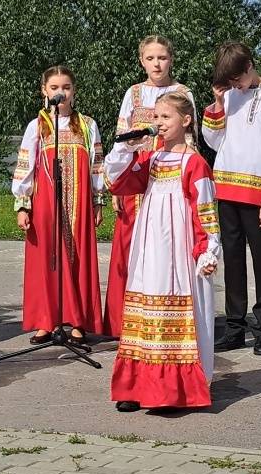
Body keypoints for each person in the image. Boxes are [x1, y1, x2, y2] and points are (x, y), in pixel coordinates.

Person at [105, 91, 219, 411]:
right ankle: (136, 386)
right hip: (149, 246)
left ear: (186, 121)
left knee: (169, 304)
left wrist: (208, 249)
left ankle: (167, 390)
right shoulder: (151, 159)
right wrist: (126, 147)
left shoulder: (194, 163)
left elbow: (205, 211)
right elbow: (118, 181)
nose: (159, 123)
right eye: (156, 117)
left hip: (176, 250)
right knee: (143, 305)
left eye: (166, 117)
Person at [202, 41, 261, 356]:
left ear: (250, 66)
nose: (236, 85)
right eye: (230, 81)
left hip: (259, 192)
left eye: (238, 78)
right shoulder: (229, 96)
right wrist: (218, 103)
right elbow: (214, 141)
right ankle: (234, 327)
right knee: (232, 259)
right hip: (226, 188)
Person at [104, 35, 196, 338]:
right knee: (129, 247)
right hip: (137, 177)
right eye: (151, 58)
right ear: (142, 61)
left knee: (170, 247)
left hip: (171, 178)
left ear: (171, 59)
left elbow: (191, 137)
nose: (157, 64)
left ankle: (169, 317)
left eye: (163, 58)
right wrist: (117, 185)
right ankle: (124, 321)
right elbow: (122, 135)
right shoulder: (133, 93)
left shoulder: (183, 93)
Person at [12, 65, 104, 345]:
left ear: (74, 91)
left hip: (79, 203)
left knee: (78, 258)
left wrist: (98, 200)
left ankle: (78, 321)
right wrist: (22, 204)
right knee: (46, 259)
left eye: (66, 87)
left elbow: (97, 165)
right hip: (46, 203)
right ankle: (45, 319)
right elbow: (26, 165)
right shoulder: (38, 126)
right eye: (54, 88)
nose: (60, 93)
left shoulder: (87, 125)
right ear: (44, 91)